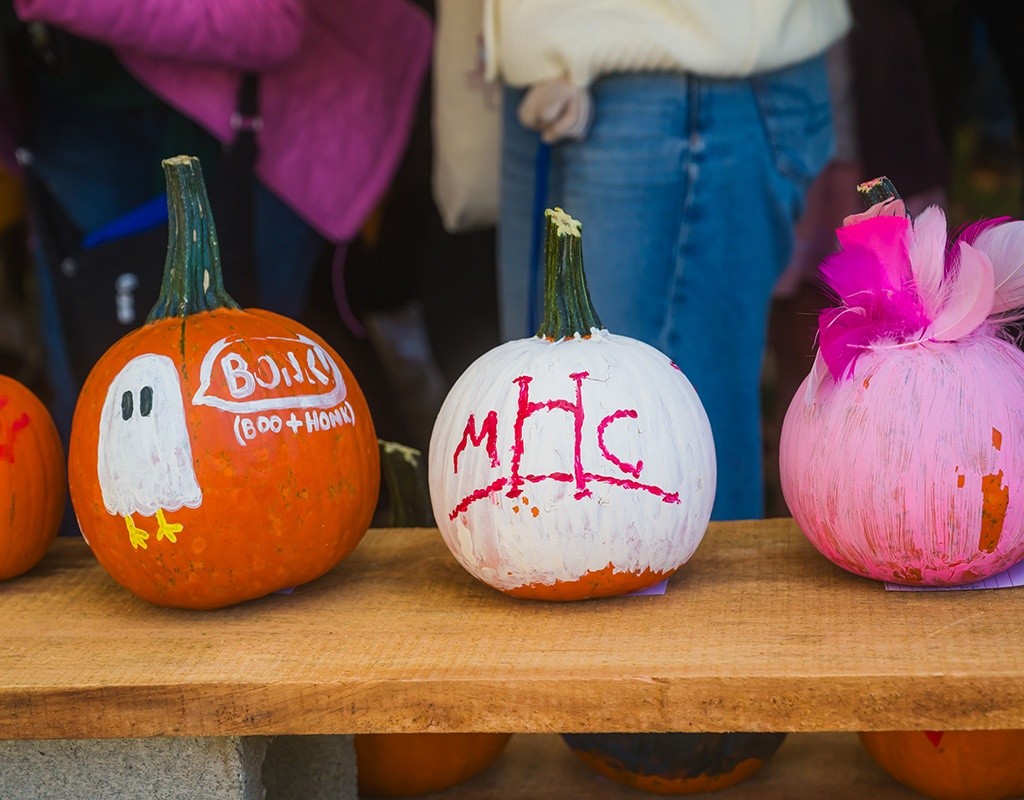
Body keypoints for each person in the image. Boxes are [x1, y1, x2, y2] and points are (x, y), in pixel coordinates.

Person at [488, 0, 851, 520]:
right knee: (546, 462)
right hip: (548, 54)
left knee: (664, 493)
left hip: (677, 61)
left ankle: (718, 608)